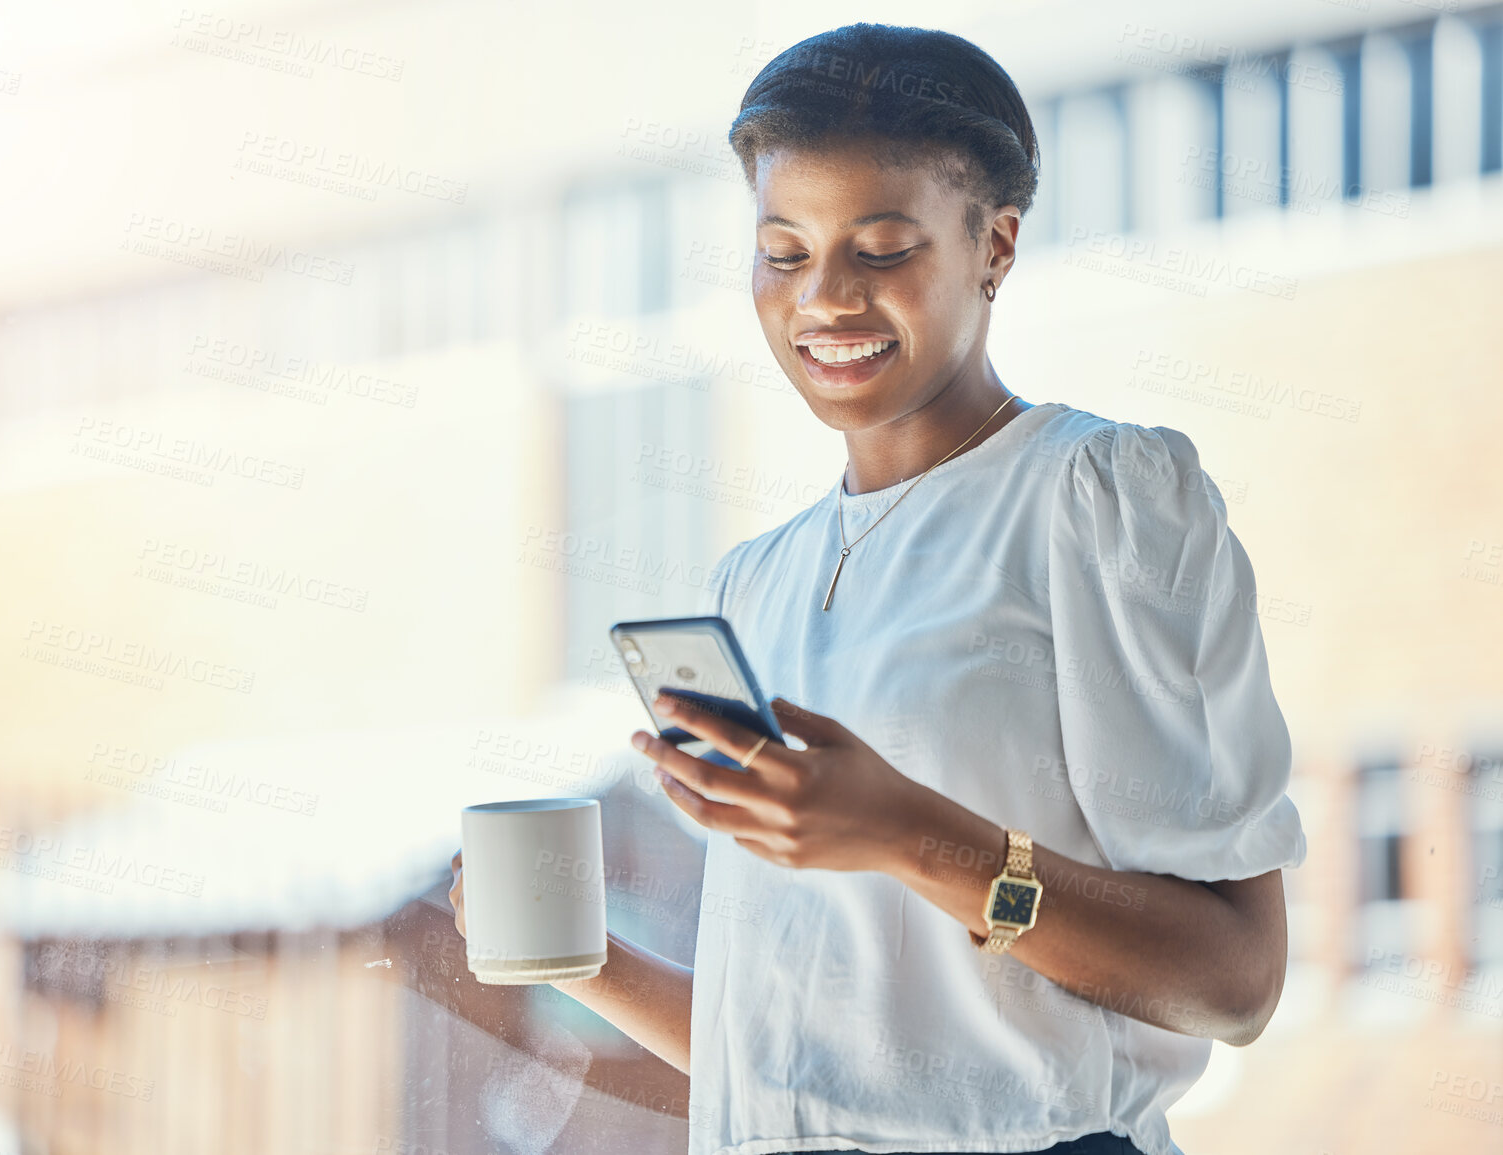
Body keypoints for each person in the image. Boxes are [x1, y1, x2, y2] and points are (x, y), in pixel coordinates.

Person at [451, 22, 1305, 1155]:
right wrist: (581, 959)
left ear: (994, 247)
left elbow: (1233, 981)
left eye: (884, 248)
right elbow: (816, 1070)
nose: (826, 299)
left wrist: (912, 837)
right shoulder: (755, 584)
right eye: (785, 251)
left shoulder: (1094, 500)